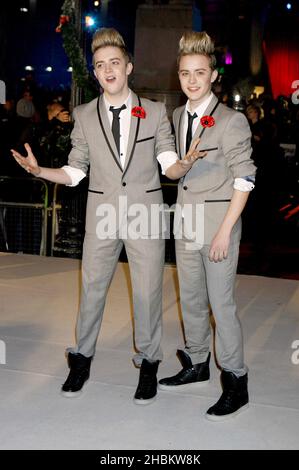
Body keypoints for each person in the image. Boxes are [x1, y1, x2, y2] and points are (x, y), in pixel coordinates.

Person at [11, 28, 202, 405]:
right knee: (92, 291)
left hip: (145, 215)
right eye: (100, 65)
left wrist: (185, 163)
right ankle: (81, 359)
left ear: (128, 67)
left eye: (114, 62)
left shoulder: (154, 111)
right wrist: (40, 172)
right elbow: (76, 171)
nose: (107, 70)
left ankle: (149, 363)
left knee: (147, 293)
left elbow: (168, 166)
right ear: (95, 74)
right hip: (101, 216)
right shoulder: (83, 115)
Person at [157, 31, 257, 421]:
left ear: (214, 75)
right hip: (186, 224)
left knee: (222, 305)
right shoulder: (178, 116)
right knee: (192, 301)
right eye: (185, 73)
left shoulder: (232, 122)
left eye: (200, 72)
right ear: (178, 76)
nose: (192, 80)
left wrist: (224, 232)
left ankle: (236, 380)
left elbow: (244, 179)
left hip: (218, 227)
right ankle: (197, 363)